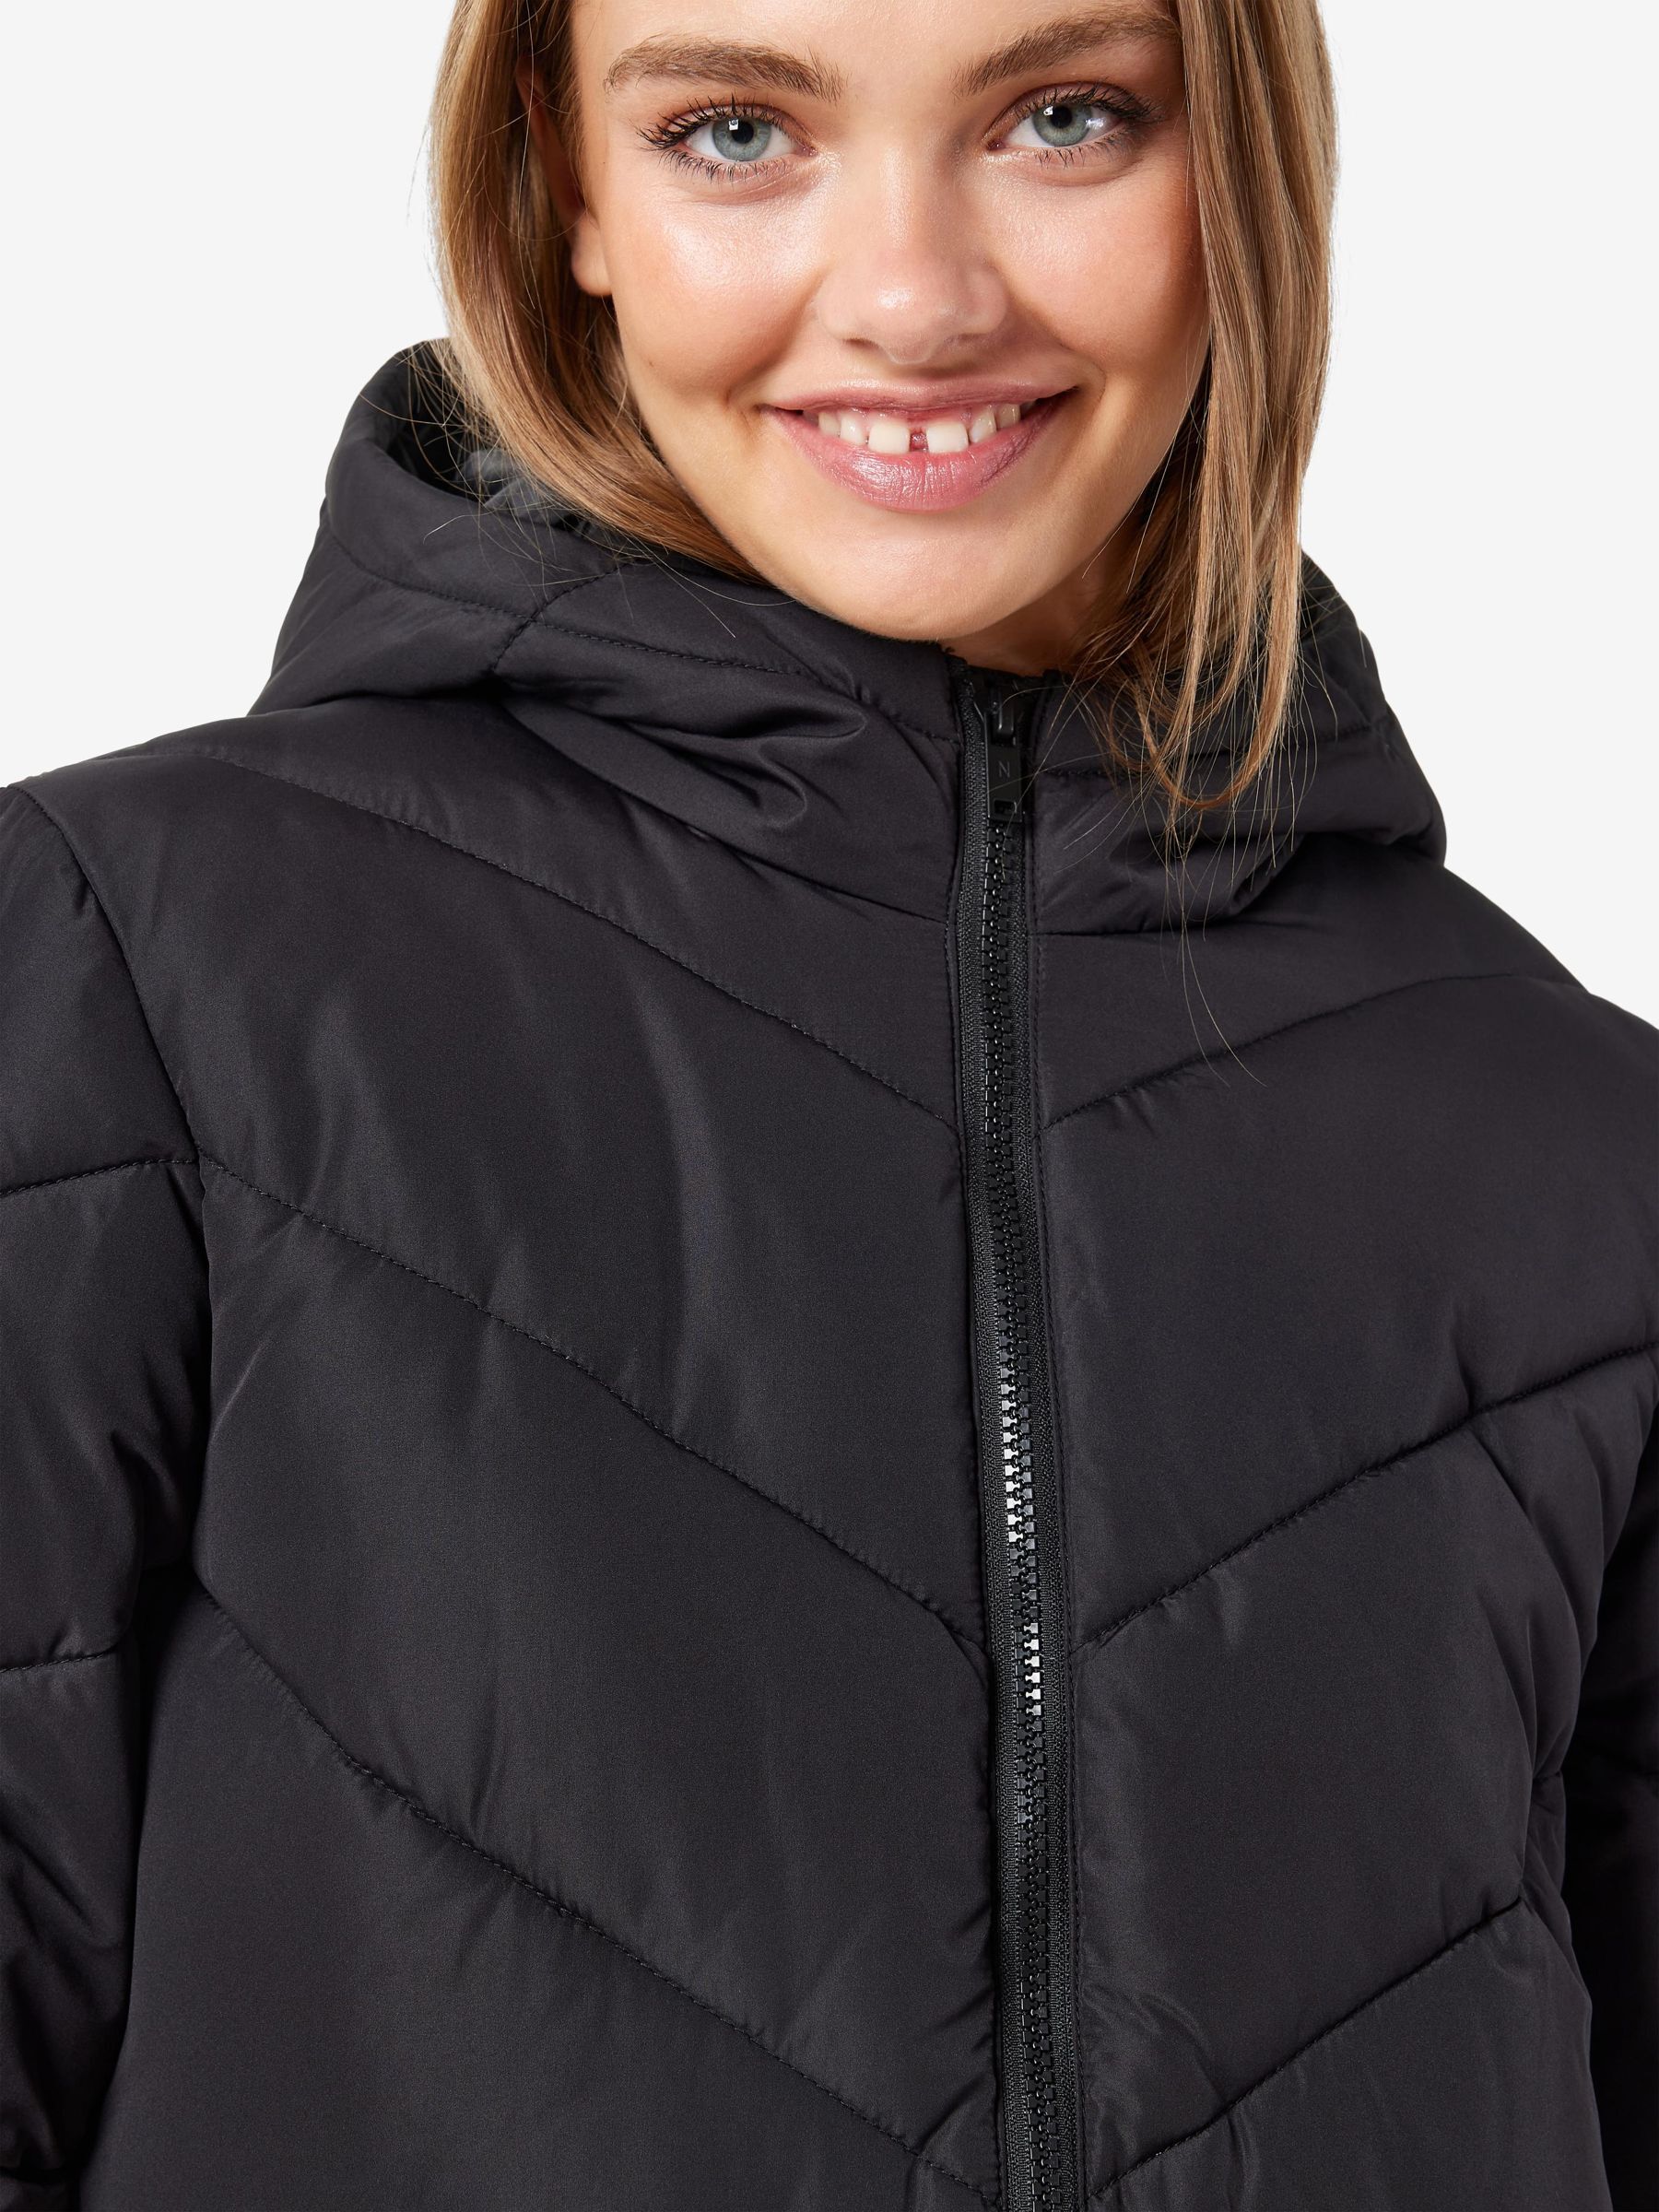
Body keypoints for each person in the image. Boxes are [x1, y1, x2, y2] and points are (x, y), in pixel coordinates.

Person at [1, 0, 1653, 2204]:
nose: (914, 297)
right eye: (733, 132)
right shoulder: (133, 965)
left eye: (1065, 118)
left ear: (1239, 163)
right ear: (565, 184)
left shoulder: (1568, 1137)